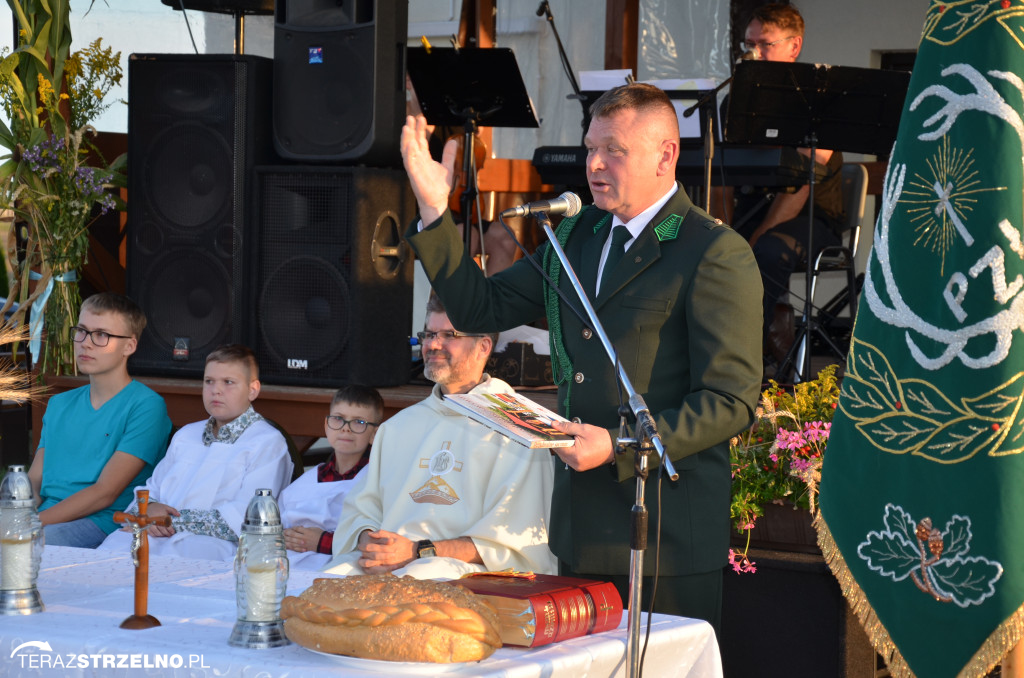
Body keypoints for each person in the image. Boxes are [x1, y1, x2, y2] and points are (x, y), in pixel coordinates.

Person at [400, 82, 762, 631]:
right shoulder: (577, 233)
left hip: (665, 532)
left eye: (614, 150)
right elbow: (479, 307)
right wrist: (434, 211)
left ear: (666, 155)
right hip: (581, 528)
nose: (594, 163)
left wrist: (618, 445)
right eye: (591, 147)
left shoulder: (711, 250)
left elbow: (729, 401)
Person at [324, 295, 557, 579]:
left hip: (463, 574)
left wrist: (417, 551)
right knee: (329, 581)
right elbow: (361, 510)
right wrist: (370, 542)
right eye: (430, 334)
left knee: (424, 575)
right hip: (389, 563)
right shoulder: (398, 427)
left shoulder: (517, 430)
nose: (433, 344)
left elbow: (514, 544)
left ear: (483, 347)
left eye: (449, 335)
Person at [726, 3, 845, 362]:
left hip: (810, 221)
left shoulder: (819, 100)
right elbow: (719, 175)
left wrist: (756, 236)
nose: (754, 53)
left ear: (794, 46)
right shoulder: (737, 99)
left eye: (765, 44)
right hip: (750, 214)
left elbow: (802, 184)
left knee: (765, 252)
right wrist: (718, 230)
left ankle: (745, 359)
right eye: (749, 44)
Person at [98, 344, 293, 560]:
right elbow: (152, 488)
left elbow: (250, 516)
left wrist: (169, 521)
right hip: (153, 533)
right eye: (209, 381)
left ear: (252, 389)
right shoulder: (187, 435)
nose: (216, 390)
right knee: (112, 551)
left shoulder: (266, 442)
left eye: (228, 382)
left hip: (214, 544)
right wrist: (150, 508)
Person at [28, 293, 172, 548]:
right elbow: (34, 482)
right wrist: (14, 516)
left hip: (100, 520)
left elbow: (105, 493)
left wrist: (30, 525)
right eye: (81, 331)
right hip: (45, 517)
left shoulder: (146, 406)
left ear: (129, 346)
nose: (86, 343)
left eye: (102, 335)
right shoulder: (59, 404)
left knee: (22, 551)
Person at [280, 384, 383, 570]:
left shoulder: (377, 480)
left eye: (359, 422)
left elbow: (375, 539)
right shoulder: (307, 480)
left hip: (342, 567)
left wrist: (321, 542)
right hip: (289, 561)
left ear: (374, 434)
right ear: (327, 425)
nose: (346, 429)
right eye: (338, 419)